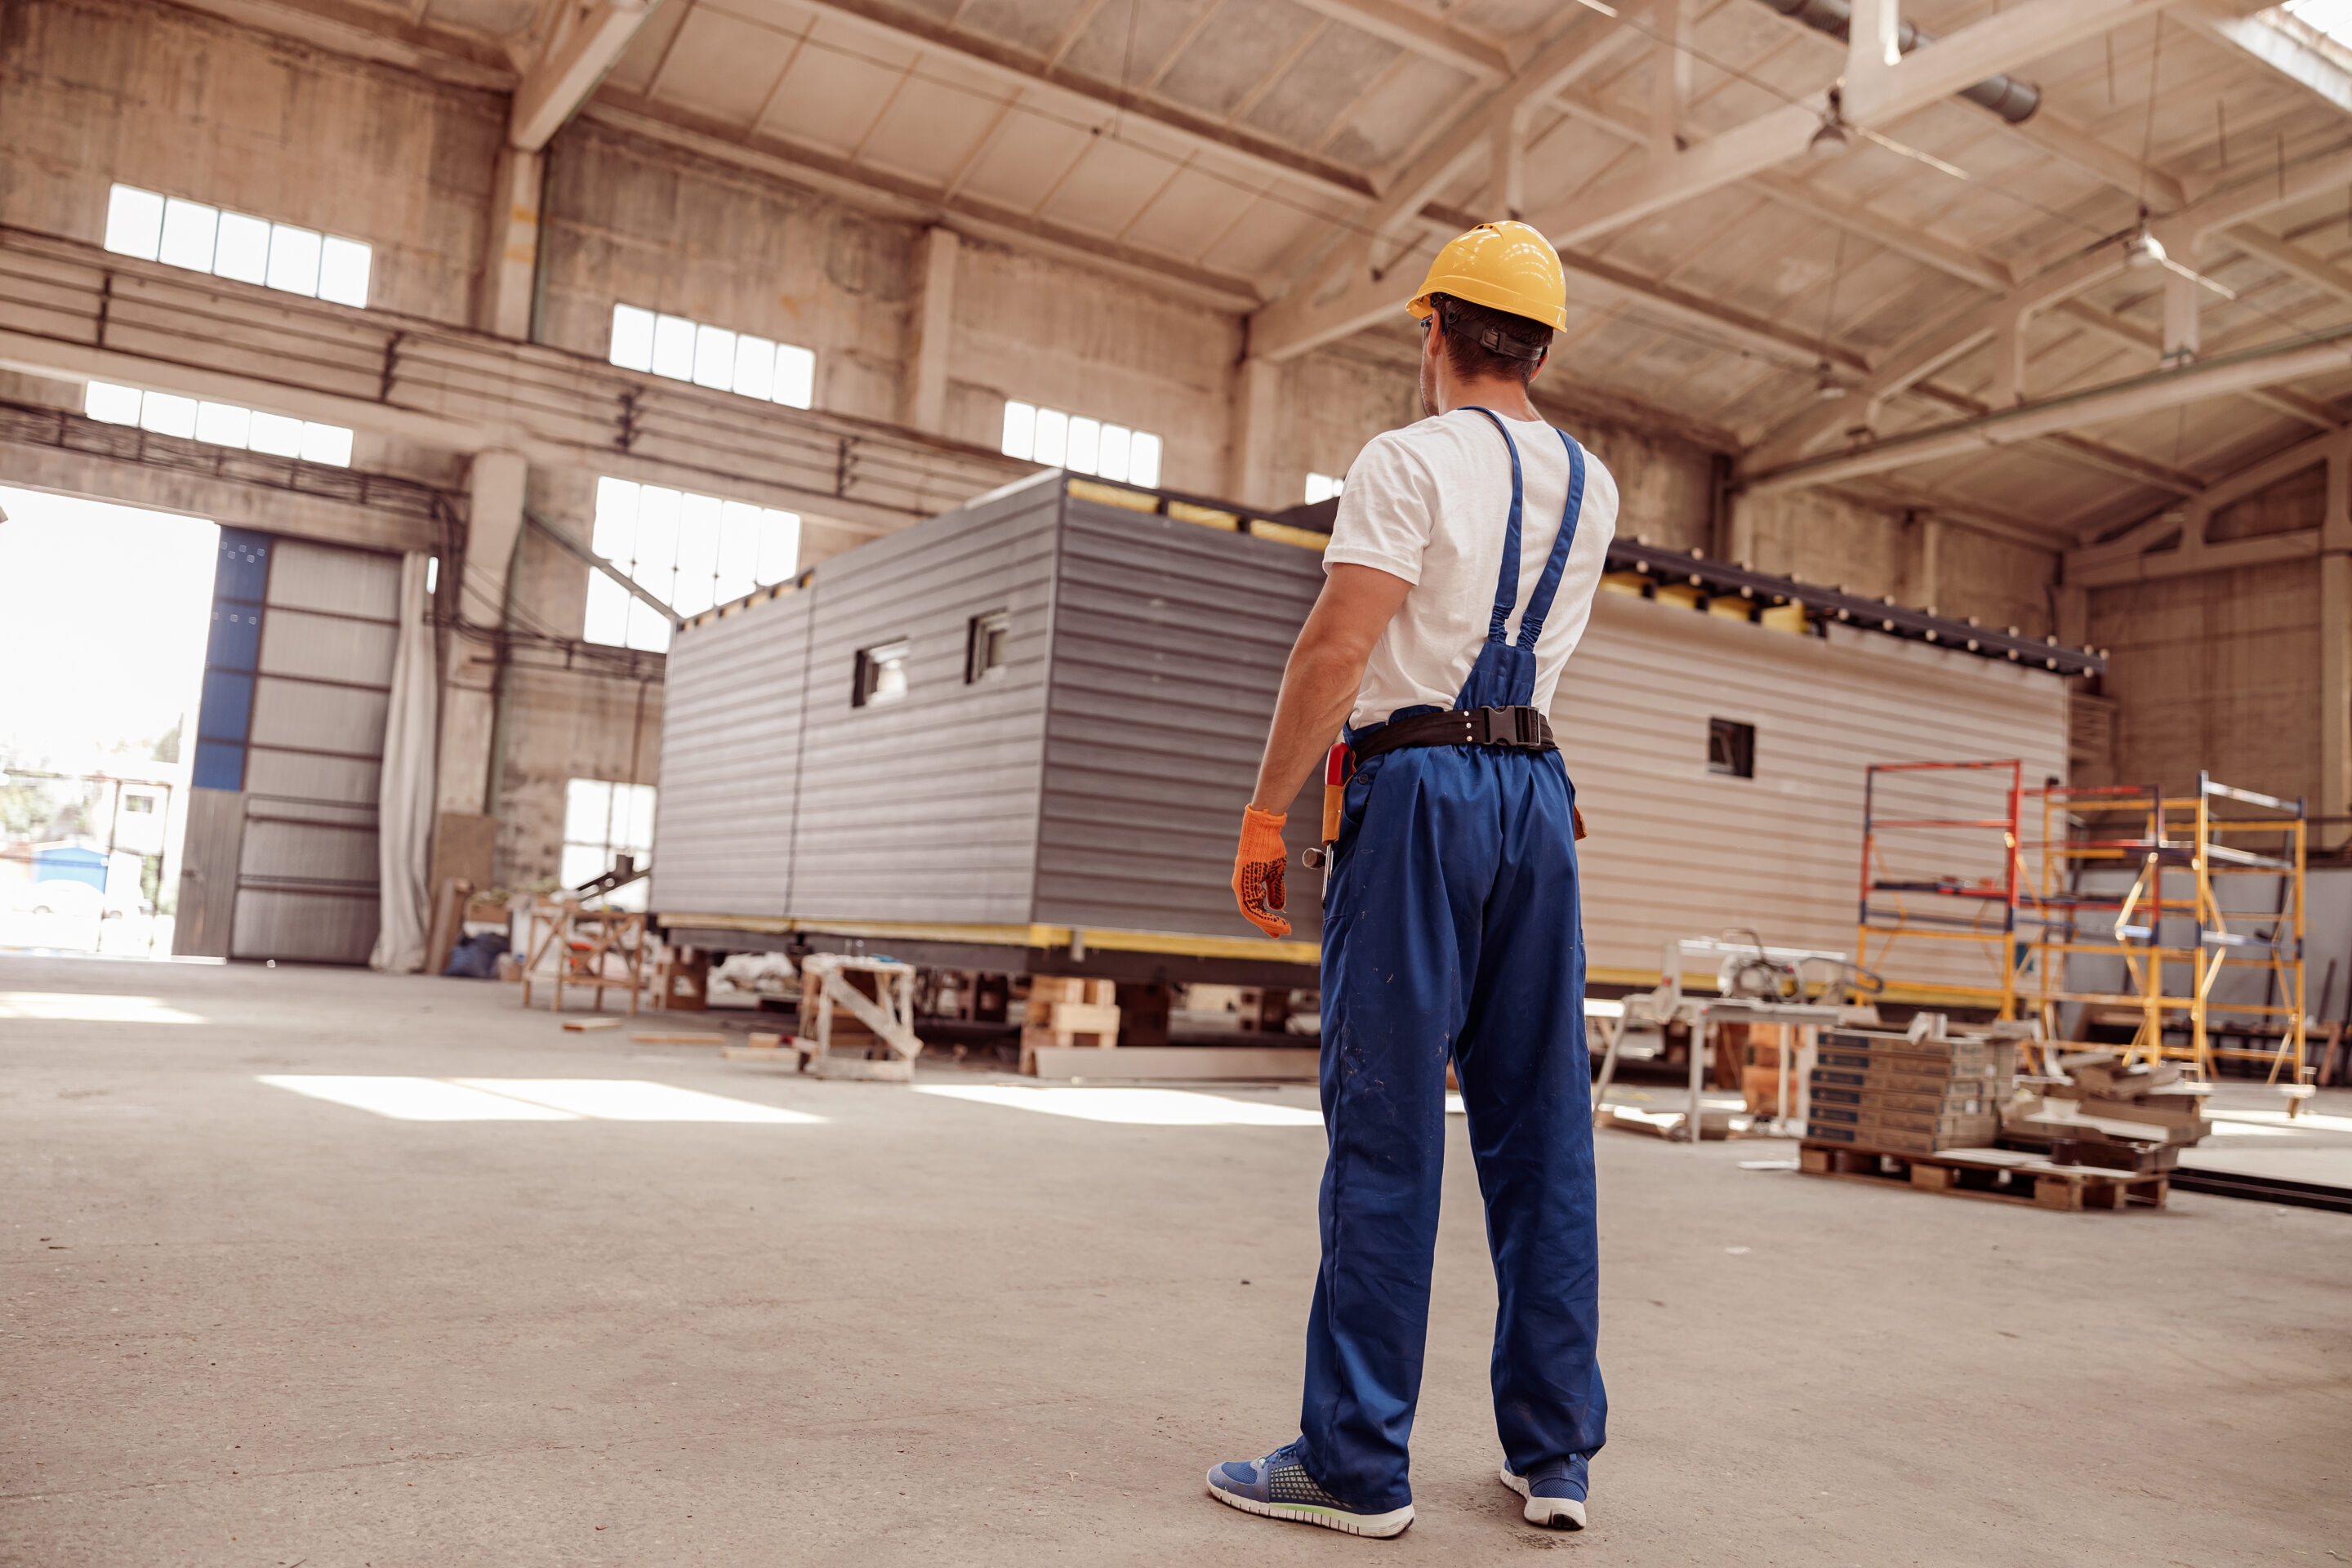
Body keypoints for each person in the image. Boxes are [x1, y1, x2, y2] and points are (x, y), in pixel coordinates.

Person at [1205, 220, 1618, 1539]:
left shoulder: (1406, 459)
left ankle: (1356, 1465)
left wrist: (1269, 808)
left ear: (1434, 330)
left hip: (1420, 795)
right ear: (1539, 344)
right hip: (1537, 798)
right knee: (1542, 1127)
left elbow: (1339, 646)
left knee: (1389, 1128)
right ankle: (1554, 1458)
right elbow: (1530, 665)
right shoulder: (1591, 483)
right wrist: (1534, 790)